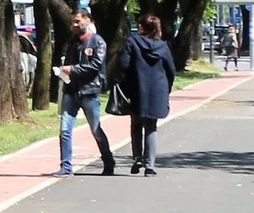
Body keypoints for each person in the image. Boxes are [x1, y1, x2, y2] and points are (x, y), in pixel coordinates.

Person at [54, 9, 116, 176]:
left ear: (88, 21)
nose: (75, 25)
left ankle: (108, 160)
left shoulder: (97, 42)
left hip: (90, 91)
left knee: (95, 129)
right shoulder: (72, 42)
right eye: (73, 21)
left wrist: (72, 69)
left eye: (78, 21)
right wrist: (64, 71)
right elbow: (66, 62)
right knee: (65, 129)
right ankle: (66, 166)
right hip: (71, 91)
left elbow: (95, 65)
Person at [116, 13, 177, 175]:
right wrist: (167, 89)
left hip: (137, 89)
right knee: (151, 127)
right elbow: (171, 71)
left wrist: (125, 84)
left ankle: (137, 157)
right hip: (158, 91)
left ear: (142, 27)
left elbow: (123, 65)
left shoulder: (132, 42)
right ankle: (150, 165)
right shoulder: (163, 46)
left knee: (136, 124)